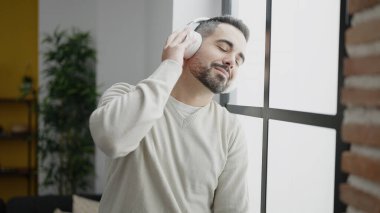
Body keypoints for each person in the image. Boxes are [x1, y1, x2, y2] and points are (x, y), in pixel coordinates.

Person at [89, 15, 250, 213]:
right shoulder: (123, 95)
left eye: (238, 60)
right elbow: (112, 139)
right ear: (190, 43)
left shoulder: (230, 129)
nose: (230, 61)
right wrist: (171, 64)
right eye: (223, 48)